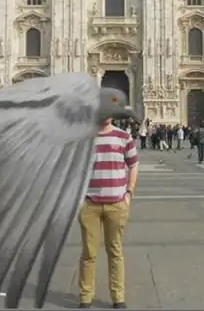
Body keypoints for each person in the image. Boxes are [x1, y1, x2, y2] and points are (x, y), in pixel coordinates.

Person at [78, 114, 139, 309]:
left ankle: (118, 297)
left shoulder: (123, 136)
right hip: (90, 204)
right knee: (89, 252)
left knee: (115, 250)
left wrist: (129, 193)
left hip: (117, 203)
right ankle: (85, 297)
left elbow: (133, 164)